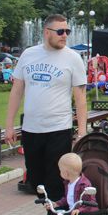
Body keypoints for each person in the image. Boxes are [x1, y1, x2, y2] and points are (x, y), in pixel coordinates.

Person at [5, 15, 87, 201]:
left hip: (59, 129)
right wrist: (9, 125)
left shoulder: (73, 58)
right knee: (36, 181)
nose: (64, 35)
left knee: (56, 182)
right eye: (60, 31)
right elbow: (16, 91)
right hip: (31, 129)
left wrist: (82, 132)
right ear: (46, 32)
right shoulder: (28, 55)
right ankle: (51, 213)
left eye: (67, 31)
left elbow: (80, 98)